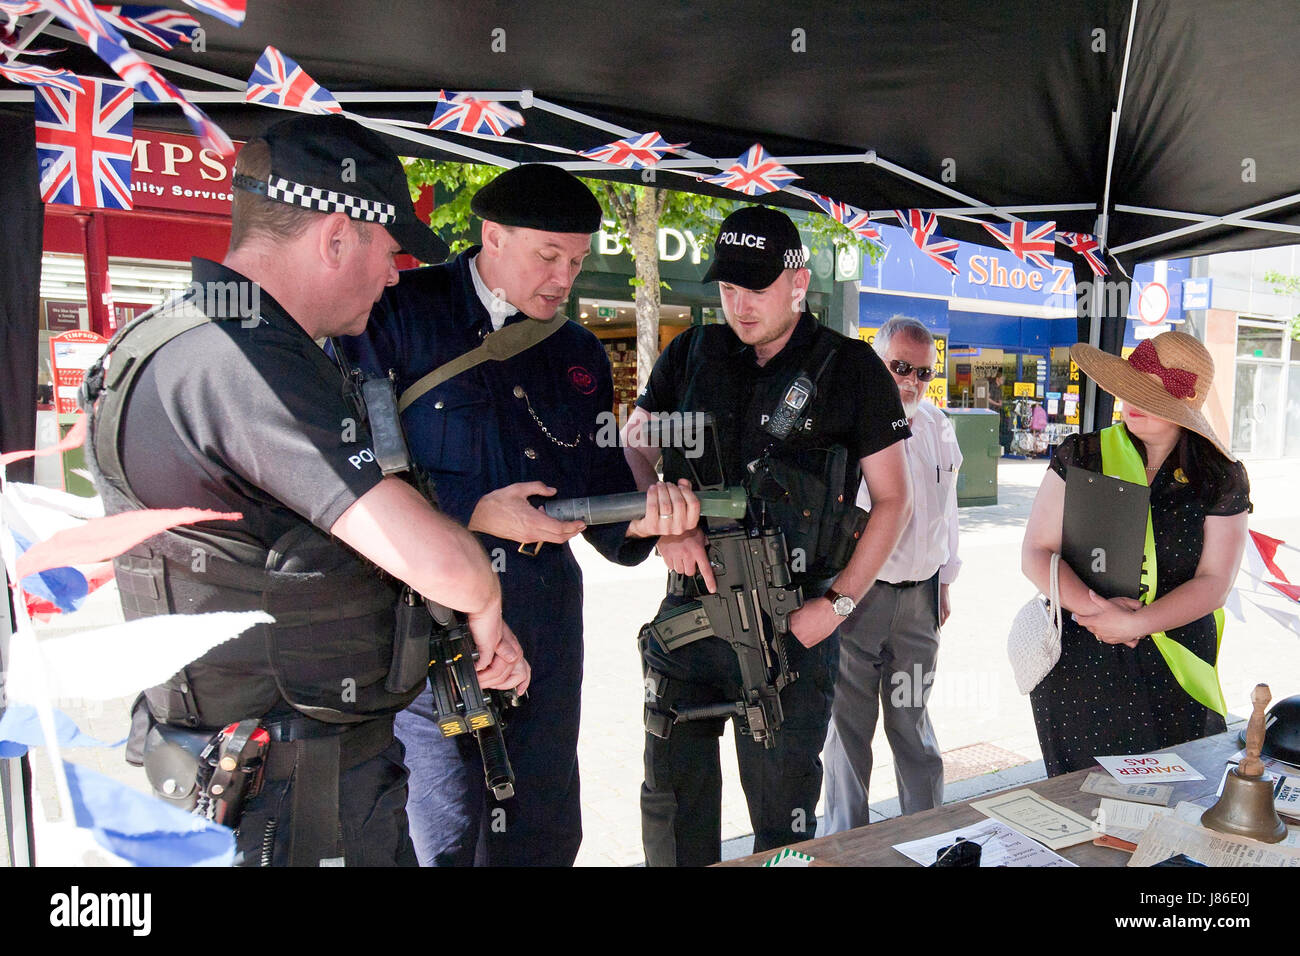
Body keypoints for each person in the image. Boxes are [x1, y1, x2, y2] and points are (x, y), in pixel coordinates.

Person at [83, 113, 528, 867]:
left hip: (233, 778)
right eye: (390, 253)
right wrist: (484, 600)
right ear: (334, 237)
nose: (394, 276)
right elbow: (438, 563)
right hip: (293, 804)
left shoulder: (169, 340)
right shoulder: (243, 362)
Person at [337, 163, 699, 867]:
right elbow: (343, 473)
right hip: (432, 621)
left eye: (577, 260)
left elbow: (600, 507)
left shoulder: (579, 354)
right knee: (444, 830)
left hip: (544, 613)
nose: (565, 278)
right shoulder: (397, 314)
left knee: (544, 826)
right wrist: (470, 512)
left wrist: (649, 513)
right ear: (491, 237)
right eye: (549, 256)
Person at [623, 205, 914, 866]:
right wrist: (659, 519)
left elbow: (896, 500)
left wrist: (836, 606)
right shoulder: (691, 351)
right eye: (728, 288)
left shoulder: (851, 369)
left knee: (784, 830)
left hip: (790, 627)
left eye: (756, 288)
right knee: (670, 811)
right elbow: (634, 443)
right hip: (689, 610)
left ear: (797, 281)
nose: (740, 304)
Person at [1021, 331, 1250, 776]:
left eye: (1151, 394)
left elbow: (1214, 582)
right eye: (1129, 388)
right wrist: (1095, 609)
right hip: (1080, 657)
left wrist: (1136, 622)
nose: (1131, 400)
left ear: (1184, 407)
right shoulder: (1082, 454)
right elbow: (1036, 551)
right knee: (1081, 805)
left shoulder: (1220, 477)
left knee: (1173, 800)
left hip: (1174, 660)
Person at [822, 316, 962, 832]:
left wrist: (944, 581)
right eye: (899, 367)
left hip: (919, 600)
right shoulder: (844, 424)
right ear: (876, 360)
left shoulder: (937, 427)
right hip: (859, 600)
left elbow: (948, 512)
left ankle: (930, 839)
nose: (911, 381)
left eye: (923, 373)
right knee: (849, 733)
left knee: (914, 728)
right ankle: (846, 844)